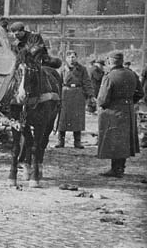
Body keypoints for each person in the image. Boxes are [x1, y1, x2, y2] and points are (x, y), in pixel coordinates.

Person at [96, 50, 143, 178]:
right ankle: (120, 167)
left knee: (115, 140)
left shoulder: (109, 76)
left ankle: (115, 169)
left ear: (110, 61)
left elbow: (103, 99)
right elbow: (140, 93)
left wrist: (102, 106)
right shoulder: (132, 74)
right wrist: (129, 101)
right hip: (128, 110)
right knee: (125, 140)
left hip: (113, 111)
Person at [55, 50, 93, 148]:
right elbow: (57, 84)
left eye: (73, 57)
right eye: (69, 57)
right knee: (62, 118)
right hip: (65, 95)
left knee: (77, 119)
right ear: (66, 59)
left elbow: (87, 82)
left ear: (76, 58)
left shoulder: (82, 69)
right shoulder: (62, 69)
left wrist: (90, 95)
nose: (71, 59)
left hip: (78, 95)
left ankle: (77, 141)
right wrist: (57, 96)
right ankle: (60, 141)